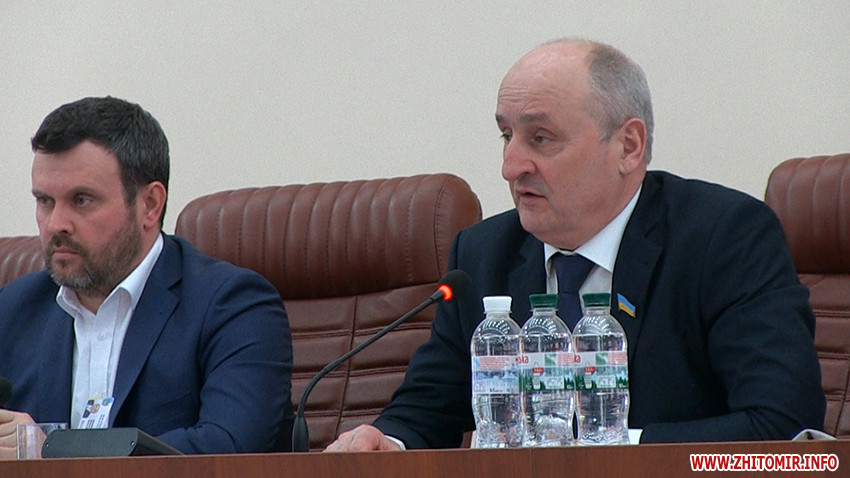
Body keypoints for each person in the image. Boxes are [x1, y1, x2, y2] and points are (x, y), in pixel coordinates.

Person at [327, 38, 825, 451]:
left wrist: (604, 448)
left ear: (628, 146)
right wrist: (384, 441)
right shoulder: (483, 255)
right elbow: (425, 412)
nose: (511, 166)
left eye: (541, 138)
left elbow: (783, 427)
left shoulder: (724, 238)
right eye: (506, 136)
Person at [0, 97, 293, 458]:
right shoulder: (13, 310)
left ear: (150, 205)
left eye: (82, 200)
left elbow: (228, 448)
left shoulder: (233, 306)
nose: (56, 224)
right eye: (45, 201)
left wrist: (50, 452)